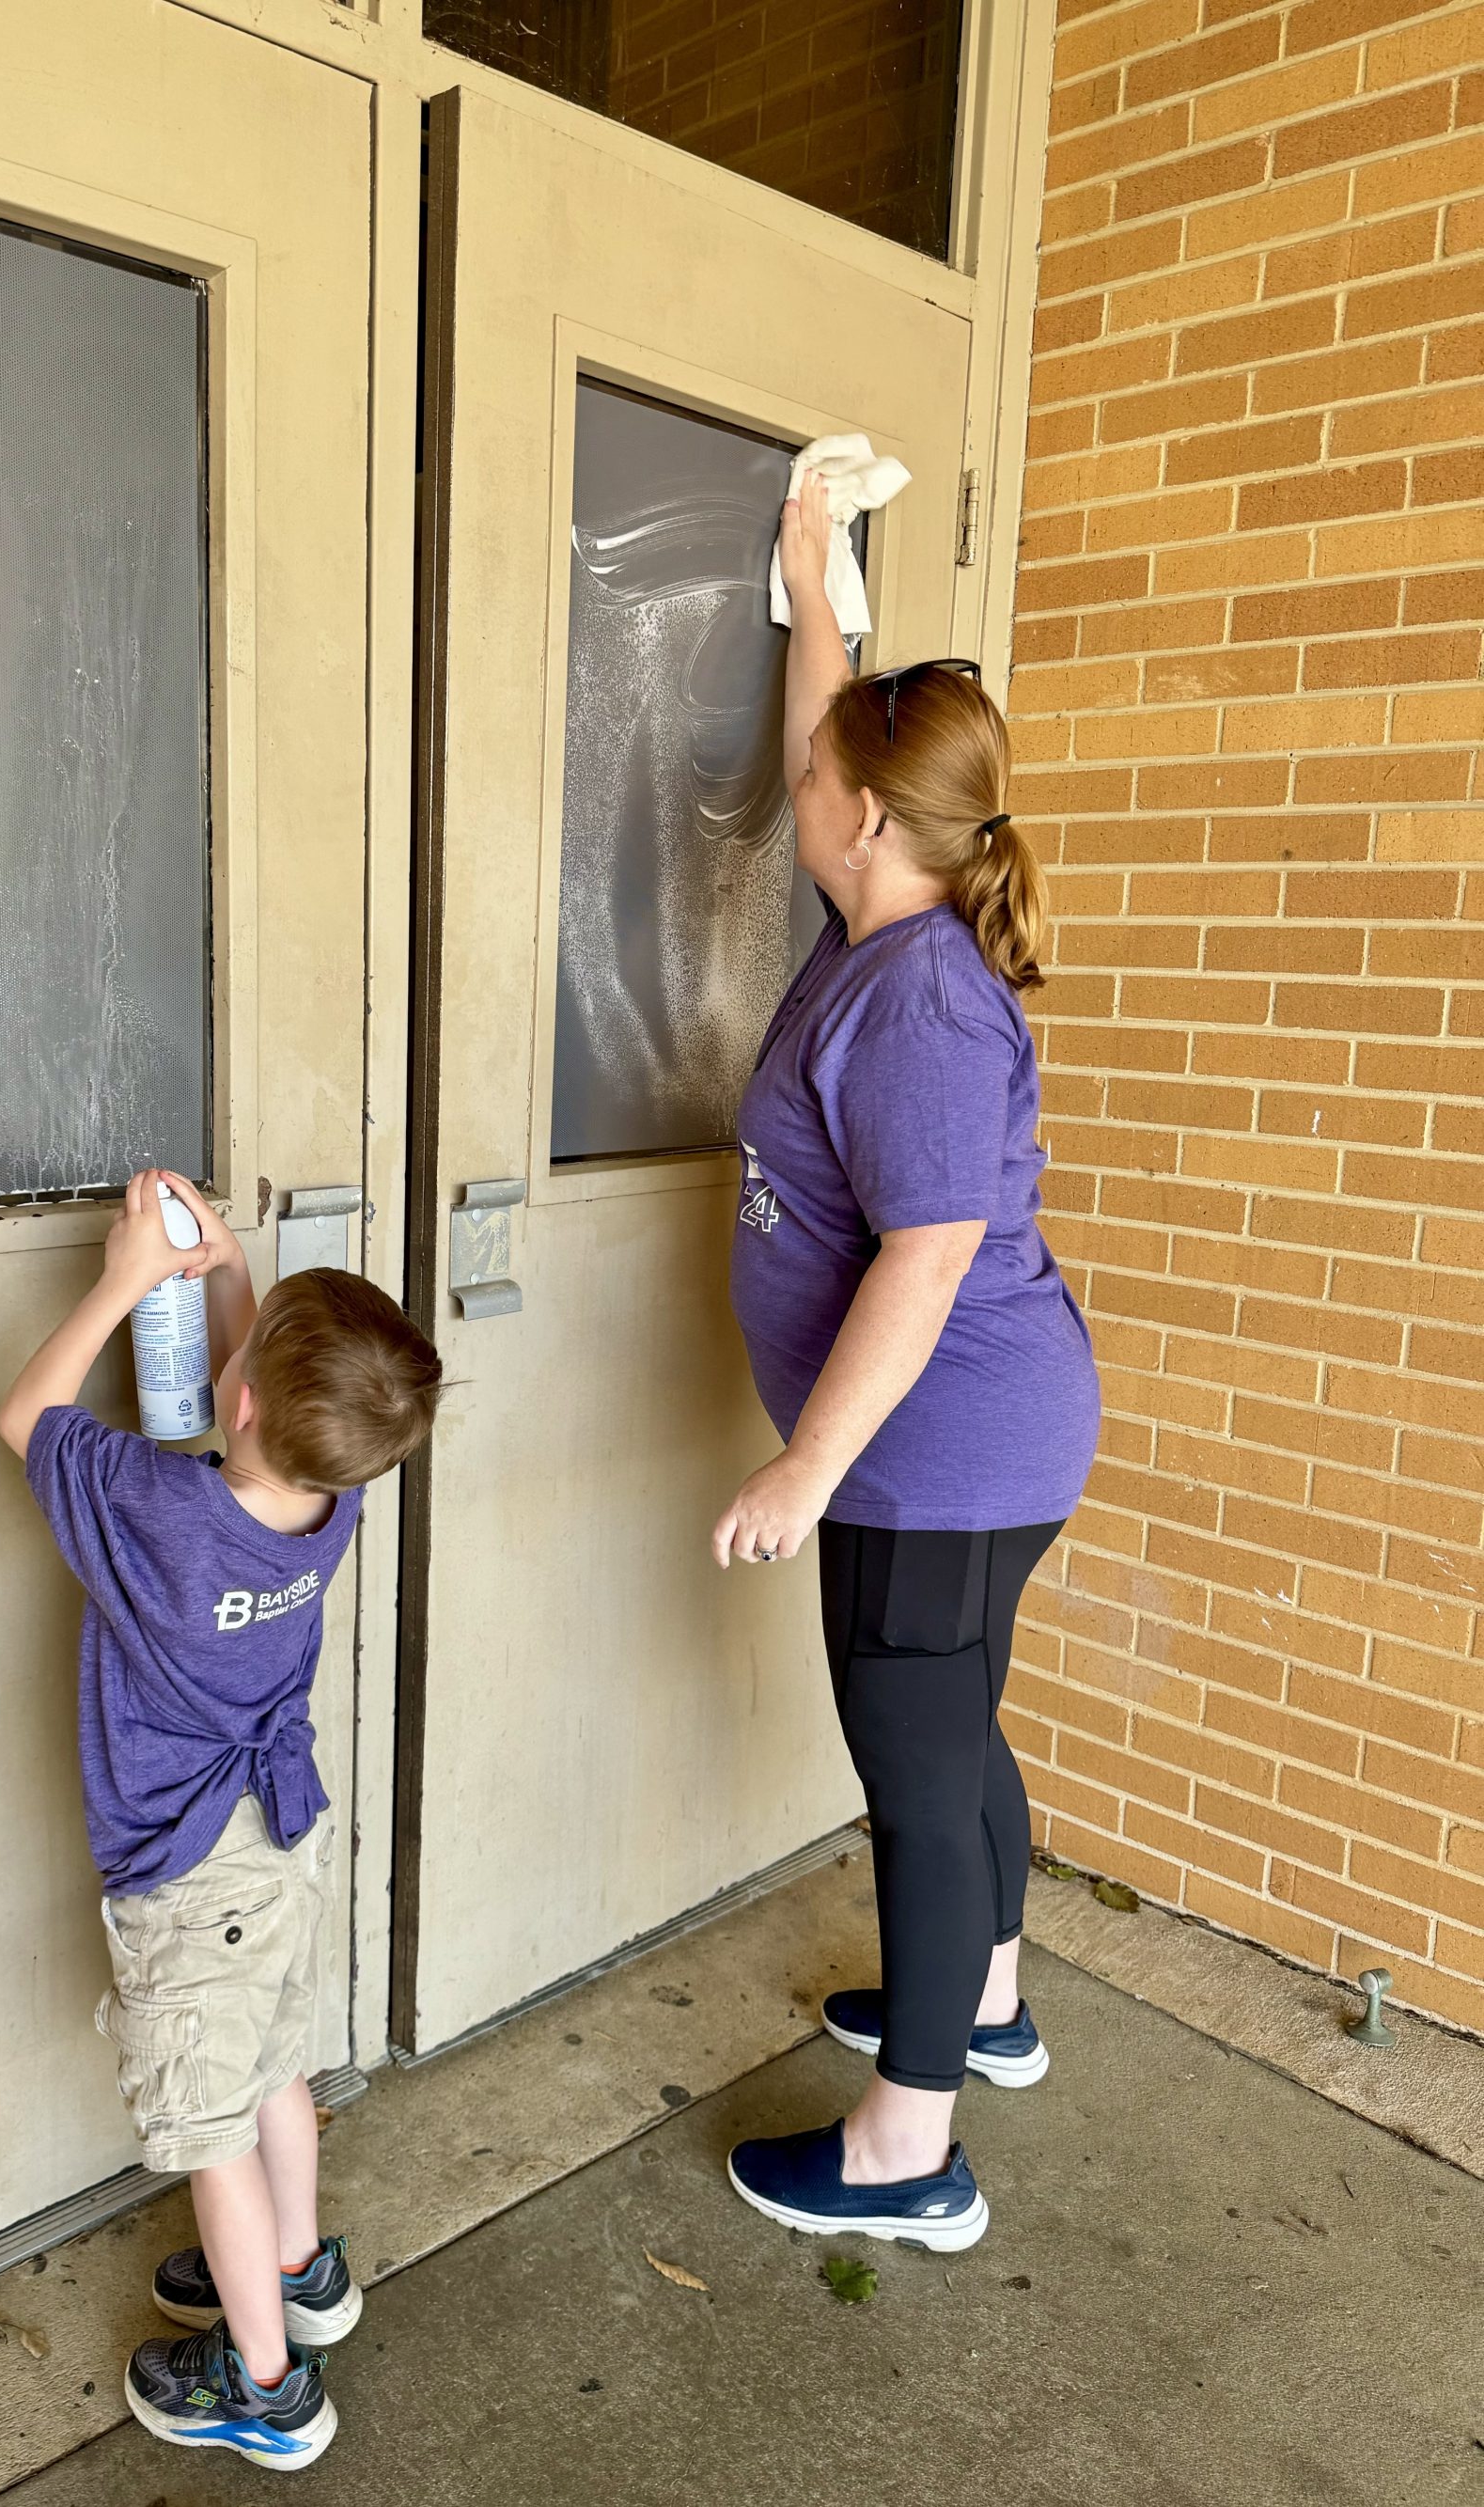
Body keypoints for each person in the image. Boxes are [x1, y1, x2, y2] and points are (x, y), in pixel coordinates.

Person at [712, 473, 1101, 2250]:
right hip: (971, 1451)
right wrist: (812, 578)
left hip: (931, 1459)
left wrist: (808, 1466)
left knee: (918, 1778)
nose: (795, 787)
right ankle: (989, 2004)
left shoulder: (921, 1002)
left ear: (868, 820)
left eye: (819, 784)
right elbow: (825, 744)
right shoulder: (883, 927)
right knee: (958, 1738)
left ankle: (905, 2152)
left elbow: (929, 1257)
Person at [0, 1171, 441, 2466]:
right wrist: (235, 1272)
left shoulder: (158, 1511)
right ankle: (301, 2271)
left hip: (189, 1871)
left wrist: (129, 1282)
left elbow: (25, 1415)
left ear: (237, 1397)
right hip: (282, 1832)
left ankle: (262, 2385)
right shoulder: (331, 1497)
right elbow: (287, 1410)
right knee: (276, 2073)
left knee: (213, 2134)